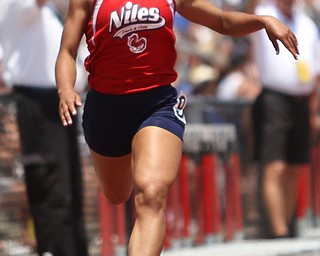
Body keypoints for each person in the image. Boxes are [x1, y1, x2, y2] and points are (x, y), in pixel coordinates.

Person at [55, 0, 299, 255]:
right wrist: (66, 89)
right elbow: (67, 51)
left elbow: (222, 21)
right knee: (117, 194)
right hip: (106, 107)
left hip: (157, 104)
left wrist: (262, 21)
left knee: (152, 195)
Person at [0, 1, 89, 255]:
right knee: (53, 189)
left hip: (57, 99)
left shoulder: (46, 13)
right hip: (37, 103)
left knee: (70, 188)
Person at [247, 0, 320, 238]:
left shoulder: (306, 23)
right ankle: (277, 229)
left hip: (302, 100)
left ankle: (285, 227)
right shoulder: (263, 13)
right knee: (275, 166)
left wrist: (313, 110)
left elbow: (315, 70)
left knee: (294, 167)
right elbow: (246, 14)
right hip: (274, 98)